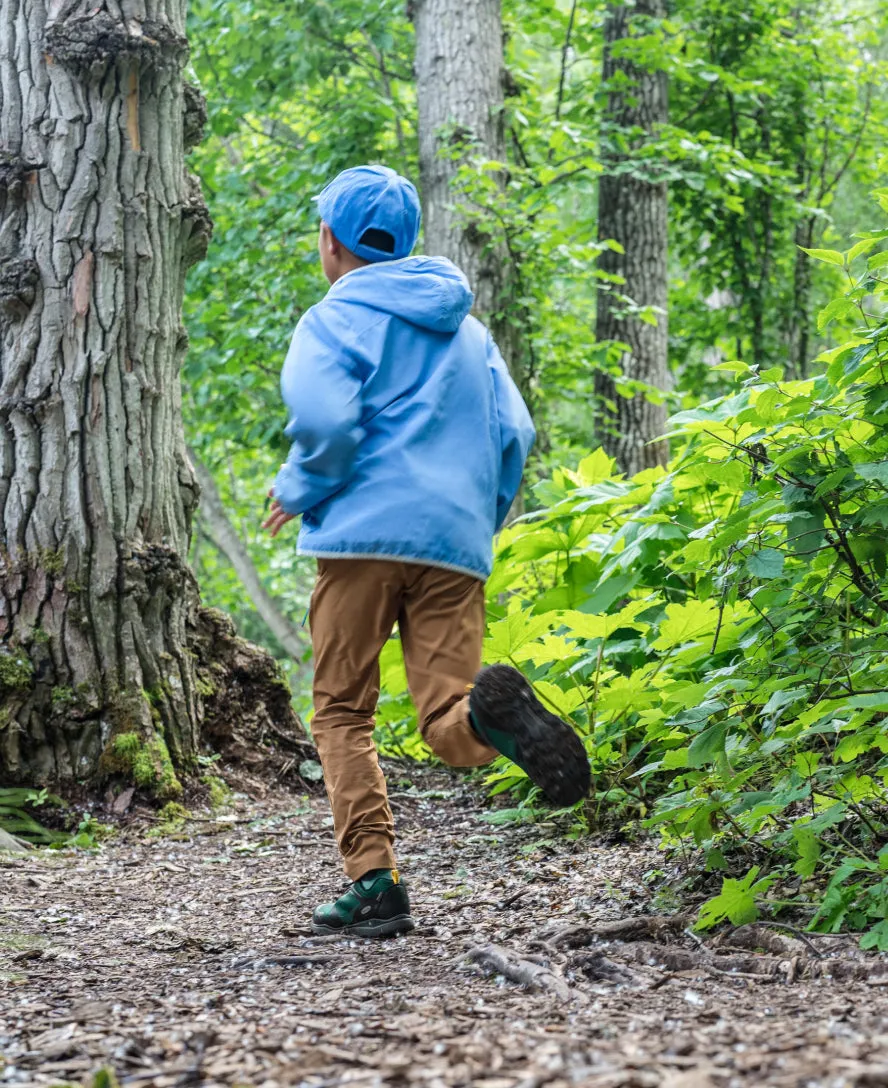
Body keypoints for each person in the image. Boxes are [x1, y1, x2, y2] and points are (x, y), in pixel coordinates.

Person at [263, 165, 591, 937]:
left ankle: (374, 883)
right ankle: (492, 722)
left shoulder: (332, 322)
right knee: (447, 712)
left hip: (360, 541)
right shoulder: (468, 332)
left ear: (330, 243)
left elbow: (328, 422)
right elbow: (515, 434)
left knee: (343, 711)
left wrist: (301, 486)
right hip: (454, 542)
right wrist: (476, 518)